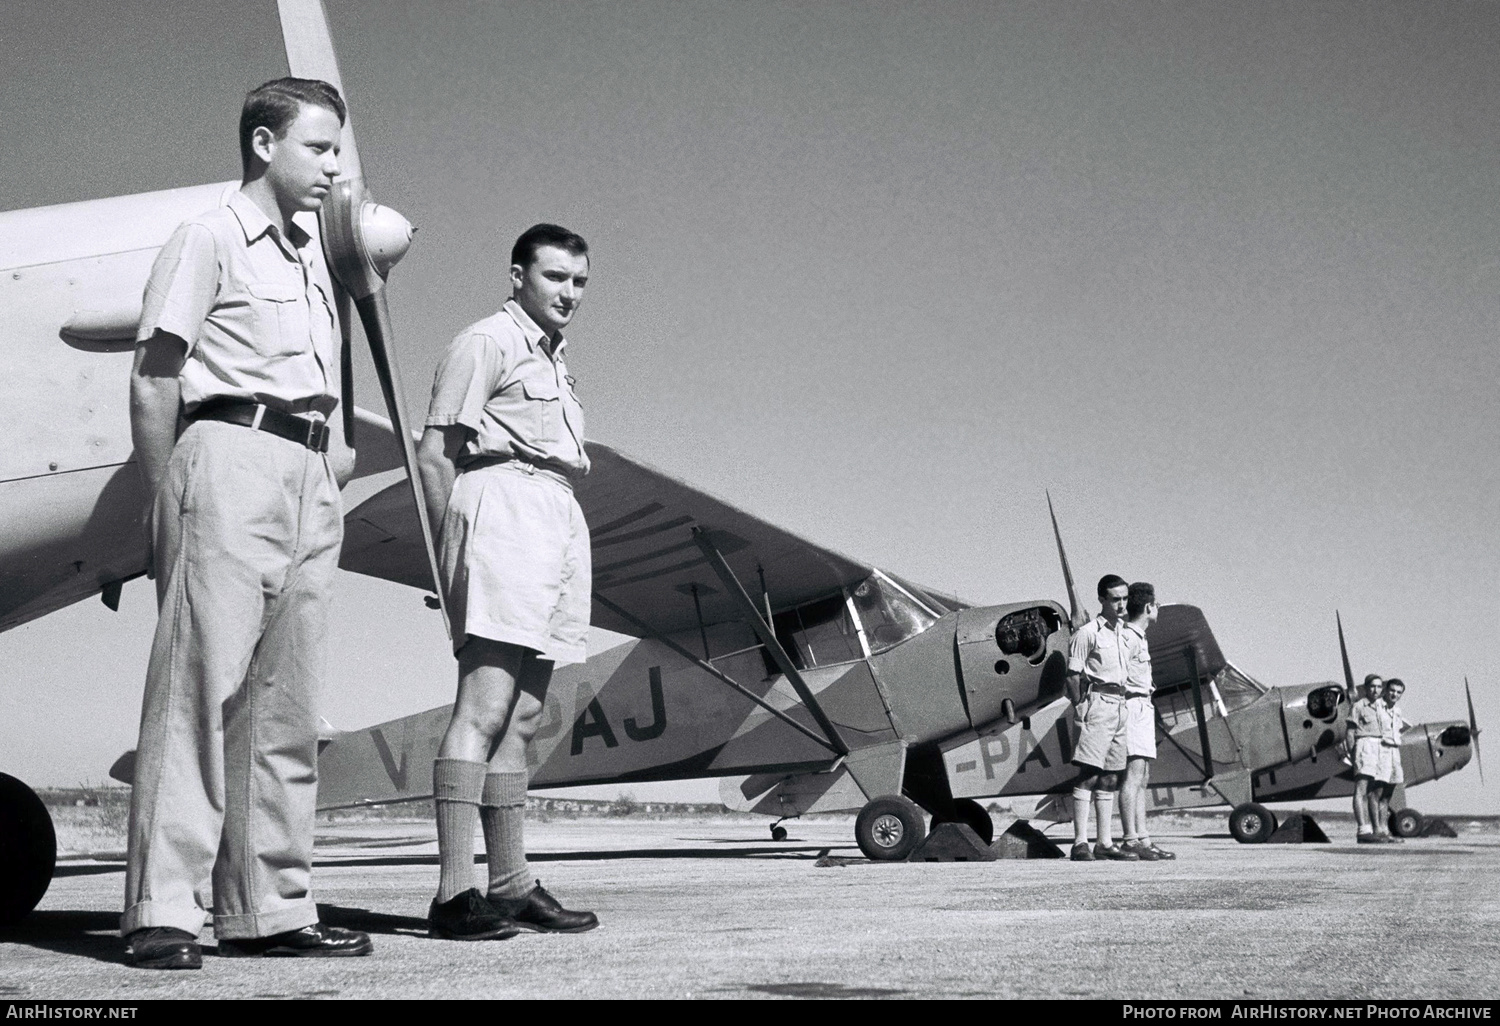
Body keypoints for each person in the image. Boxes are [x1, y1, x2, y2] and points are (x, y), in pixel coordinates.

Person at [123, 78, 371, 968]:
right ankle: (163, 908)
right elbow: (155, 377)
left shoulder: (312, 258)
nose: (335, 169)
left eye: (338, 150)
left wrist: (334, 465)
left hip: (308, 473)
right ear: (265, 145)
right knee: (199, 689)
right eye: (319, 149)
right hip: (226, 454)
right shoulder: (208, 237)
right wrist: (170, 506)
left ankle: (270, 908)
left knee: (288, 706)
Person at [416, 224, 600, 939]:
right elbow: (436, 455)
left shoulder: (557, 361)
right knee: (483, 707)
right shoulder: (486, 341)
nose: (569, 294)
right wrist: (446, 559)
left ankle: (510, 882)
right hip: (502, 505)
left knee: (523, 715)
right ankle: (453, 894)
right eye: (556, 277)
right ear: (518, 273)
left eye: (580, 282)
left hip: (556, 512)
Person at [1064, 575, 1138, 861]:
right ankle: (1080, 842)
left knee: (1111, 777)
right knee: (1089, 773)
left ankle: (1104, 843)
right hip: (1097, 702)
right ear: (1102, 601)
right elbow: (1073, 674)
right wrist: (1080, 704)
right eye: (1115, 599)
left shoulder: (1124, 632)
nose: (1121, 605)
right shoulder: (1088, 633)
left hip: (1120, 704)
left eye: (1124, 598)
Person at [1118, 581, 1173, 861]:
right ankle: (1130, 839)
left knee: (1143, 777)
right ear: (1149, 607)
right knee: (1133, 776)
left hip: (1142, 706)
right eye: (1156, 603)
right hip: (1132, 705)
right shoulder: (1128, 637)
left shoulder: (1138, 636)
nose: (1158, 607)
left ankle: (1143, 838)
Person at [1372, 678, 1413, 842]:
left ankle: (1384, 829)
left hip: (1394, 752)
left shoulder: (1397, 711)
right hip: (1381, 750)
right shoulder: (1375, 708)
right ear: (1385, 691)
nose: (1394, 694)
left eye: (1398, 692)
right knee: (1377, 792)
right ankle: (1376, 830)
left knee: (1388, 794)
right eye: (1392, 690)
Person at [1345, 674, 1385, 843]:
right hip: (1365, 745)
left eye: (1379, 687)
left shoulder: (1383, 707)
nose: (1376, 690)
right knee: (1361, 789)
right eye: (1372, 686)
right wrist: (1354, 754)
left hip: (1380, 747)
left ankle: (1378, 830)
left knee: (1377, 791)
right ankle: (1363, 830)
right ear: (1366, 688)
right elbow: (1350, 732)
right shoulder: (1358, 706)